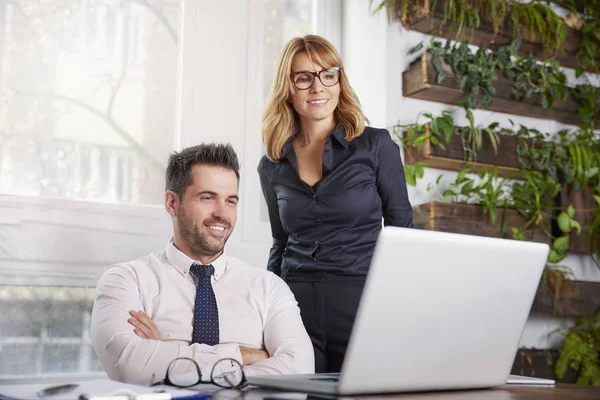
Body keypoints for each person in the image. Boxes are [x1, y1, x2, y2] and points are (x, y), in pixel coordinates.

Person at [91, 143, 314, 385]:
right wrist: (241, 355)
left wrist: (167, 357)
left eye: (231, 201)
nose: (222, 213)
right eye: (207, 198)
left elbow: (300, 371)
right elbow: (128, 366)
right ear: (172, 203)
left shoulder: (269, 287)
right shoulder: (126, 279)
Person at [258, 35, 413, 373]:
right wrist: (267, 309)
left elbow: (403, 232)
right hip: (295, 310)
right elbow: (280, 243)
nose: (318, 87)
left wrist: (398, 307)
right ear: (288, 88)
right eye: (304, 77)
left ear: (340, 81)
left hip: (362, 304)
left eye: (328, 74)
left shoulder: (376, 146)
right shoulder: (271, 165)